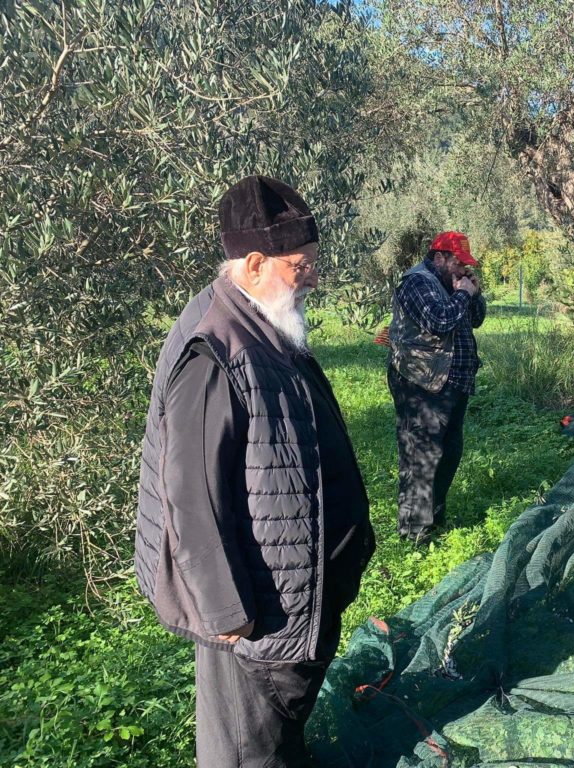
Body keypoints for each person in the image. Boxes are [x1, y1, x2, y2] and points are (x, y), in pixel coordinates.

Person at [134, 175, 376, 767]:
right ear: (254, 262)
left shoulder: (264, 321)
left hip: (288, 600)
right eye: (301, 266)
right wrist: (226, 613)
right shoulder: (214, 352)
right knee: (246, 752)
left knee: (275, 742)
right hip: (253, 623)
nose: (312, 277)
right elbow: (191, 497)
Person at [387, 231, 486, 544]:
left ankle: (434, 519)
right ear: (440, 257)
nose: (461, 269)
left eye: (464, 265)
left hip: (453, 383)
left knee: (448, 451)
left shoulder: (451, 284)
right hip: (421, 383)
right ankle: (414, 532)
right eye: (457, 263)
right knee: (421, 455)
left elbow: (477, 319)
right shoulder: (417, 282)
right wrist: (463, 295)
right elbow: (438, 321)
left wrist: (473, 293)